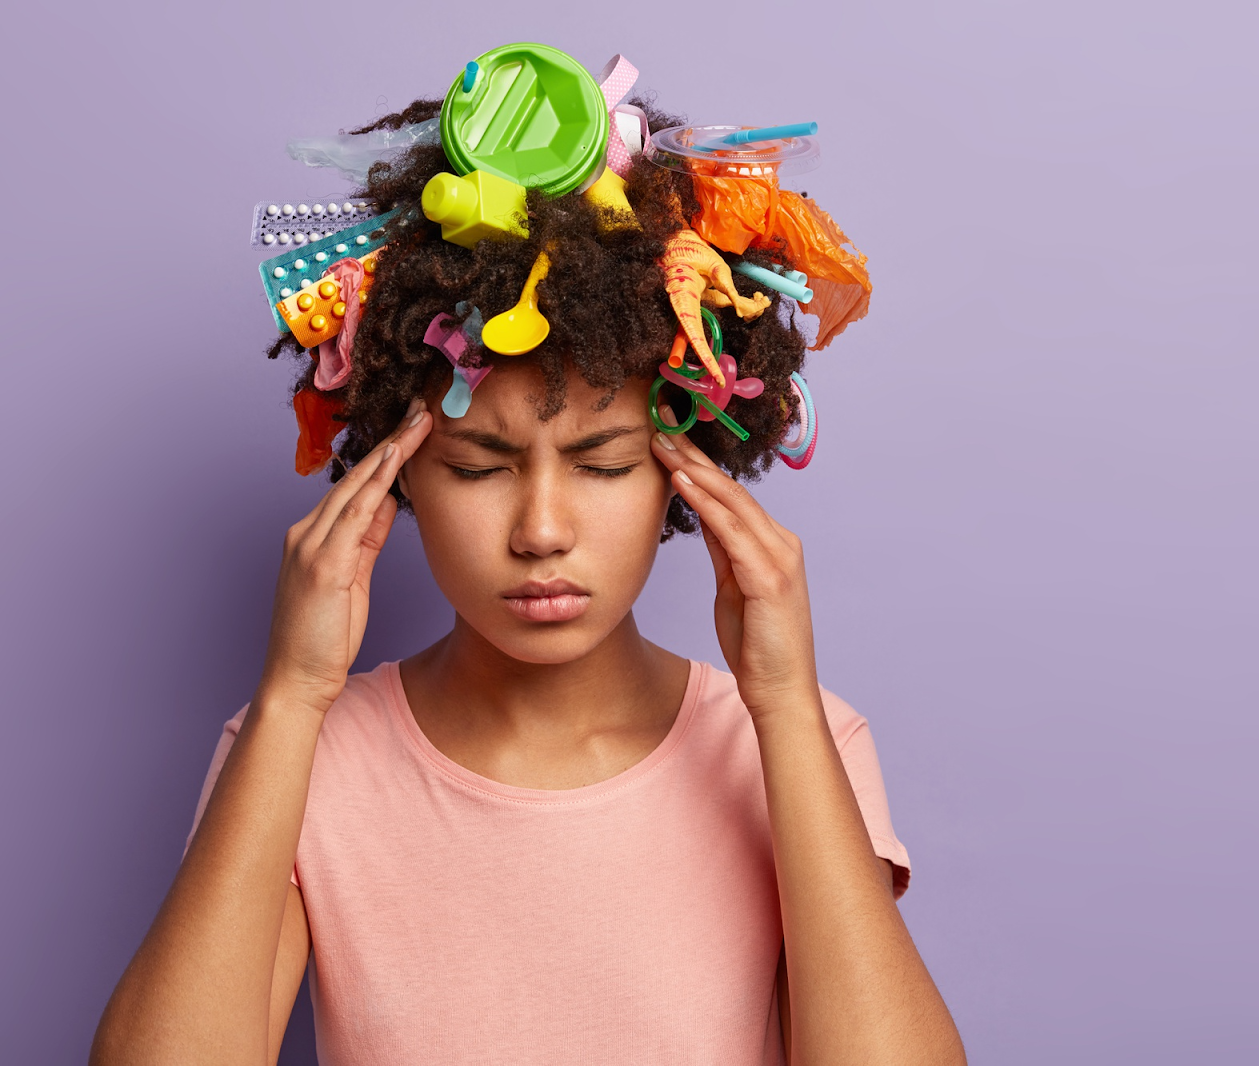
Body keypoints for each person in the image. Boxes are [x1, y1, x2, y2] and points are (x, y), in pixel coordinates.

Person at [91, 81, 964, 1066]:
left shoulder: (801, 737)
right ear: (397, 464)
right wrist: (293, 696)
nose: (542, 529)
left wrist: (783, 706)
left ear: (684, 464)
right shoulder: (294, 749)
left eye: (601, 463)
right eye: (477, 467)